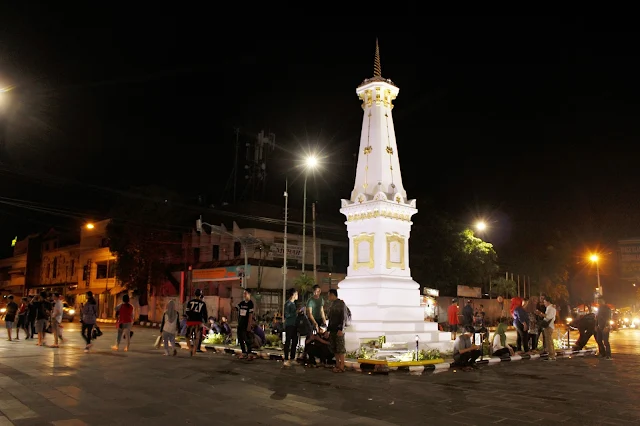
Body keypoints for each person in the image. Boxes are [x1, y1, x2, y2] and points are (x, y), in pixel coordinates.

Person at [327, 289, 348, 373]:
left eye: (329, 295)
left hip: (338, 329)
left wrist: (341, 329)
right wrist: (328, 330)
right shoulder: (332, 305)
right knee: (335, 348)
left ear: (332, 295)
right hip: (332, 329)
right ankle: (337, 365)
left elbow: (343, 317)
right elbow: (330, 318)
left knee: (340, 348)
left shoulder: (341, 304)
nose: (328, 297)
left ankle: (342, 366)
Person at [185, 289, 208, 356]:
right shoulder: (203, 303)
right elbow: (205, 314)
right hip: (198, 321)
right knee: (197, 337)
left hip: (190, 321)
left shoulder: (190, 302)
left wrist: (190, 316)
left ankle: (190, 348)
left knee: (187, 336)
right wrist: (205, 322)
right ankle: (194, 350)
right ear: (200, 295)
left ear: (194, 294)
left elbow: (187, 312)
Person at [237, 288, 256, 360]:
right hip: (240, 323)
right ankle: (244, 352)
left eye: (245, 293)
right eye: (243, 293)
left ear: (249, 294)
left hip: (246, 324)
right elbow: (235, 308)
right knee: (240, 338)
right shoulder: (242, 303)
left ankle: (249, 353)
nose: (244, 295)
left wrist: (249, 325)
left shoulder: (250, 303)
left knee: (247, 339)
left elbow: (250, 315)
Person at [283, 288, 299, 367]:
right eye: (296, 294)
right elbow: (287, 315)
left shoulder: (293, 304)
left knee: (295, 341)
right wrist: (294, 313)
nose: (297, 296)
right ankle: (286, 359)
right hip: (289, 325)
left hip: (294, 325)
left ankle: (292, 358)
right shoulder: (288, 304)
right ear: (293, 295)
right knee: (288, 341)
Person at [542, 297, 557, 361]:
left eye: (545, 302)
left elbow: (547, 317)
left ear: (548, 302)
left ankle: (551, 356)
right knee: (550, 340)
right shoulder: (553, 308)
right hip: (551, 325)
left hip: (548, 326)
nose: (544, 303)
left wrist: (540, 314)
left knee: (548, 341)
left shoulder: (549, 308)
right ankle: (552, 354)